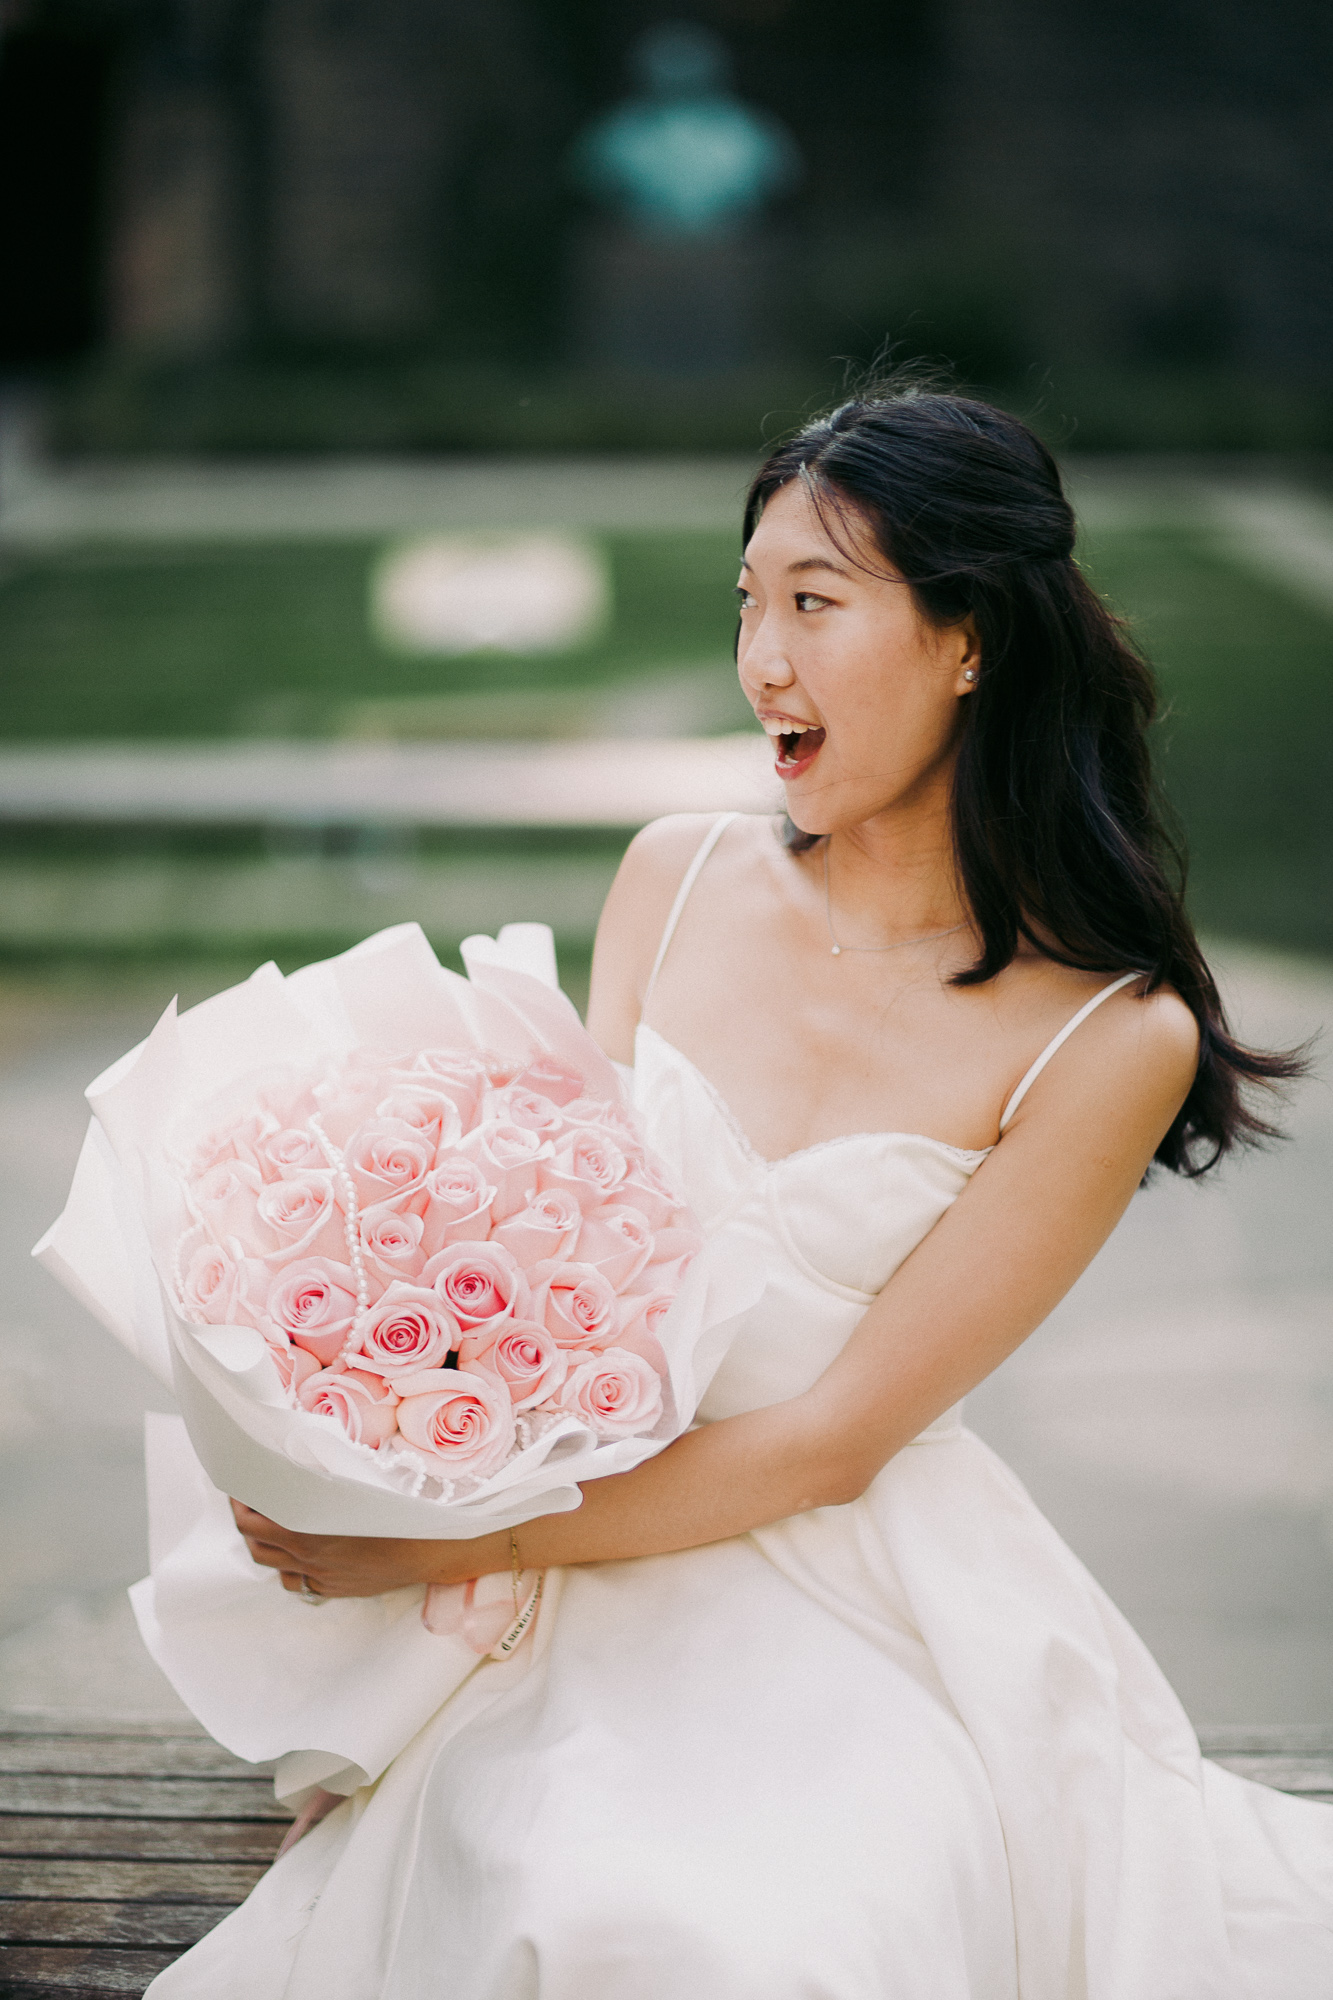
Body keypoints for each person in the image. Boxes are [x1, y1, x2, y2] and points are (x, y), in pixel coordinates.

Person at [153, 381, 1332, 1999]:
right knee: (531, 1877)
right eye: (746, 602)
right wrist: (386, 1435)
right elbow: (539, 1243)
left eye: (814, 604)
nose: (760, 658)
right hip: (565, 1564)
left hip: (856, 1610)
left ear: (967, 637)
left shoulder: (1107, 1038)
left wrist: (437, 1550)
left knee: (725, 1938)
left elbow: (835, 1442)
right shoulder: (674, 874)